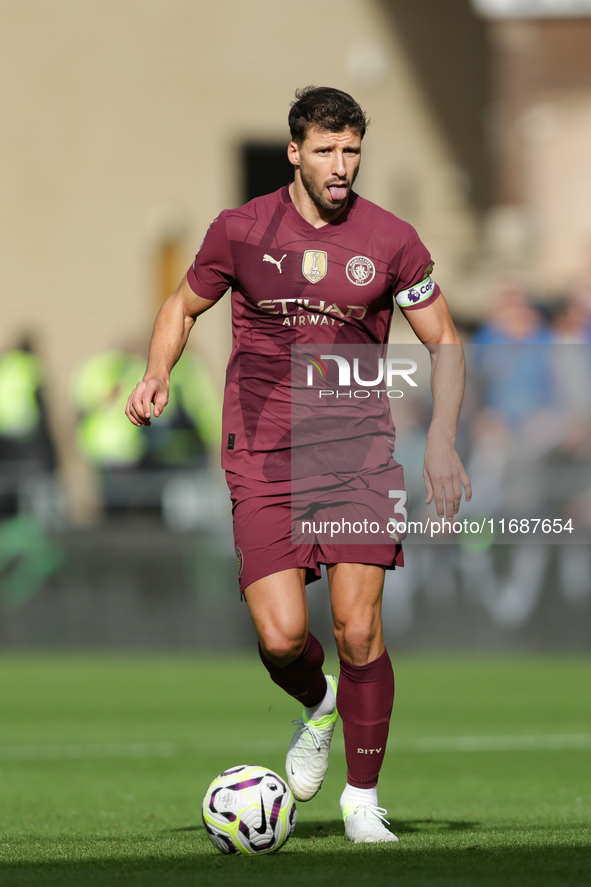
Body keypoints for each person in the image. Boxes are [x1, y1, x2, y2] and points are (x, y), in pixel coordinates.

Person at [126, 86, 470, 843]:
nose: (340, 164)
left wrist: (441, 435)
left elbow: (443, 338)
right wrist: (157, 373)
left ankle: (361, 798)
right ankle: (319, 707)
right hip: (263, 454)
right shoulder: (240, 229)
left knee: (357, 627)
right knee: (282, 636)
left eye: (351, 150)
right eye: (325, 150)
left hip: (355, 455)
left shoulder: (391, 239)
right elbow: (181, 307)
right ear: (295, 152)